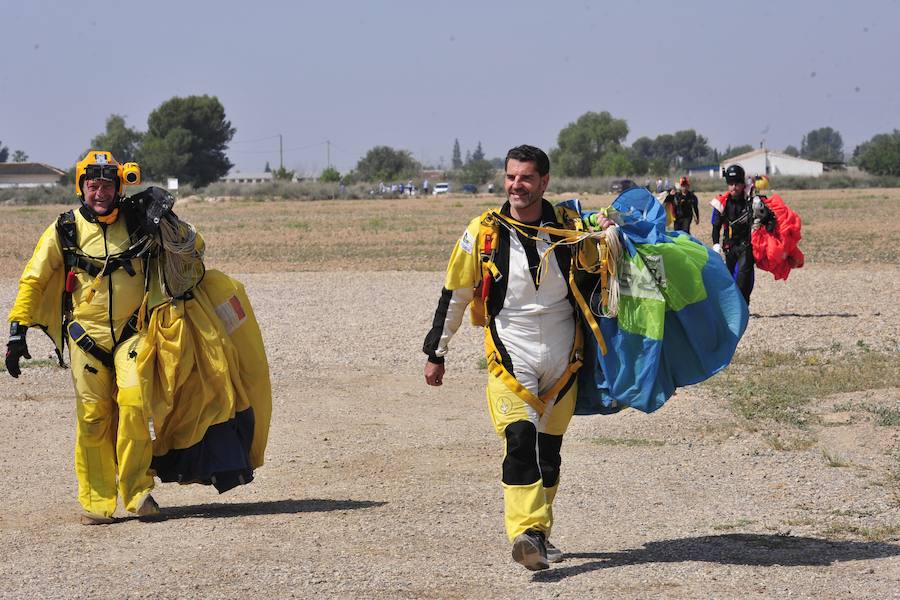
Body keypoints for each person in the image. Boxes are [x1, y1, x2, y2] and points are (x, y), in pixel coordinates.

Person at [422, 144, 611, 571]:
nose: (516, 185)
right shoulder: (483, 232)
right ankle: (525, 531)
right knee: (520, 441)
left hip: (567, 358)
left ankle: (539, 536)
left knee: (550, 453)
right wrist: (437, 351)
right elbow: (455, 294)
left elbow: (608, 270)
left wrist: (614, 229)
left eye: (525, 178)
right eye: (510, 177)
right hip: (512, 356)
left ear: (544, 182)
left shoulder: (572, 227)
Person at [5, 150, 168, 524]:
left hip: (133, 332)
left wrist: (169, 219)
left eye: (107, 185)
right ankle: (97, 500)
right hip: (85, 337)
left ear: (118, 187)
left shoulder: (141, 222)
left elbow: (190, 250)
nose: (100, 193)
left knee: (134, 402)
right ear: (81, 188)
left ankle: (139, 492)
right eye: (92, 186)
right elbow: (35, 278)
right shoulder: (64, 229)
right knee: (93, 417)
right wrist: (18, 330)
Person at [711, 164, 756, 304]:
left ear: (743, 184)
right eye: (730, 184)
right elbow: (716, 227)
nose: (733, 187)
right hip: (729, 247)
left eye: (737, 183)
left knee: (743, 278)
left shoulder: (752, 202)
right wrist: (716, 244)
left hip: (746, 246)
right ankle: (732, 308)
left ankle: (742, 306)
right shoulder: (721, 204)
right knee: (729, 279)